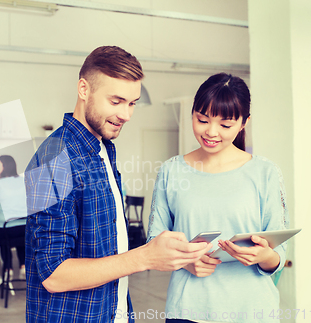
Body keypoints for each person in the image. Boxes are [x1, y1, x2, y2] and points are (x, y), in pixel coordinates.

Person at [24, 46, 211, 323]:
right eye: (116, 101)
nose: (126, 114)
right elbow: (54, 274)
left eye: (132, 103)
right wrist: (145, 257)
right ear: (84, 89)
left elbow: (108, 251)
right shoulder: (53, 160)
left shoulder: (103, 148)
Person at [147, 73, 289, 322]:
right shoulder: (171, 170)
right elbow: (154, 241)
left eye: (225, 125)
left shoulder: (265, 172)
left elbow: (279, 253)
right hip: (188, 311)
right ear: (192, 113)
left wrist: (265, 257)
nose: (211, 132)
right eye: (202, 120)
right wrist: (185, 262)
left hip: (252, 312)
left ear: (244, 123)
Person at [0, 155, 27, 280]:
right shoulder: (24, 181)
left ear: (4, 167)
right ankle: (23, 266)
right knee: (21, 238)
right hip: (26, 228)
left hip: (7, 230)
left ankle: (8, 268)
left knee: (2, 236)